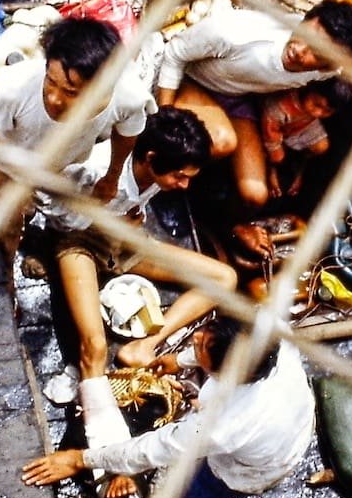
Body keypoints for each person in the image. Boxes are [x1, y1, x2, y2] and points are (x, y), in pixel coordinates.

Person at [156, 0, 352, 271]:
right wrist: (165, 117)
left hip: (237, 99)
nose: (299, 51)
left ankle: (225, 225)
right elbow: (174, 54)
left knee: (255, 195)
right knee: (221, 142)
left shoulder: (326, 71)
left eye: (316, 53)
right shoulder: (236, 33)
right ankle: (166, 188)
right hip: (195, 82)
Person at [22, 315, 315, 498]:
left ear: (227, 375)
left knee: (196, 495)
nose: (196, 337)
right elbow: (214, 342)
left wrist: (81, 459)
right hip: (293, 419)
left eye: (202, 350)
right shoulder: (270, 329)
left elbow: (154, 448)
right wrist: (184, 360)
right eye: (204, 333)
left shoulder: (226, 424)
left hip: (255, 466)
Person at [0, 18, 156, 268]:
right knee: (3, 234)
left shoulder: (128, 95)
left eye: (71, 92)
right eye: (50, 81)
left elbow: (128, 129)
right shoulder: (12, 89)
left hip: (62, 165)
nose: (54, 97)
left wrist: (112, 176)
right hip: (10, 169)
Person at [49, 106, 237, 371]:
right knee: (96, 346)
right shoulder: (96, 168)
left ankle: (145, 345)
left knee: (225, 278)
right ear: (150, 158)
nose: (184, 186)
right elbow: (52, 210)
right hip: (78, 243)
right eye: (179, 176)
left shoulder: (156, 170)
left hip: (124, 241)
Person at [260, 78, 352, 199]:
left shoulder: (312, 110)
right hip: (271, 127)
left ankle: (299, 168)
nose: (318, 113)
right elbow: (270, 136)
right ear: (309, 88)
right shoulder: (279, 108)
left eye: (327, 111)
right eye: (316, 104)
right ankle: (271, 170)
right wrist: (273, 167)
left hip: (300, 125)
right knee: (278, 157)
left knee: (321, 146)